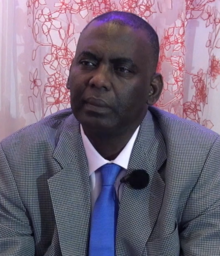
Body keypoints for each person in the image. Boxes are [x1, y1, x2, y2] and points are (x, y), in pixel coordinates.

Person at [0, 11, 220, 256]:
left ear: (153, 89)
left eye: (122, 69)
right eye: (88, 63)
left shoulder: (201, 160)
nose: (98, 80)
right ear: (69, 76)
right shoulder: (16, 160)